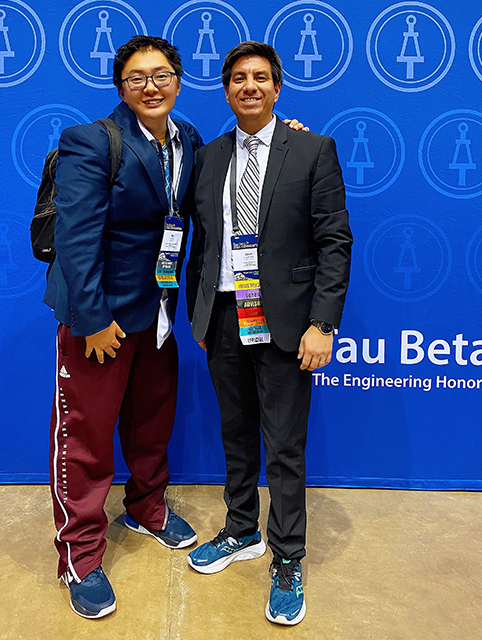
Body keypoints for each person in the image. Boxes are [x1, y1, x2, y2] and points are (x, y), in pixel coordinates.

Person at [186, 42, 352, 626]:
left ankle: (287, 557)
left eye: (260, 77)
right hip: (227, 315)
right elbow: (198, 244)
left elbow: (335, 242)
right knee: (235, 433)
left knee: (284, 444)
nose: (248, 86)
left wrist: (323, 323)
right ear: (226, 91)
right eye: (237, 78)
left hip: (285, 319)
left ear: (277, 88)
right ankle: (240, 531)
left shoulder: (313, 149)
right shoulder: (207, 157)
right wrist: (199, 313)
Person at [43, 36, 203, 619]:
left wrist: (290, 135)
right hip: (101, 318)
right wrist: (92, 318)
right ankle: (80, 553)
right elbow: (76, 235)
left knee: (151, 420)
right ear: (120, 89)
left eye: (161, 75)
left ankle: (146, 507)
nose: (151, 86)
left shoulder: (188, 140)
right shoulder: (91, 140)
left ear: (179, 81)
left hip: (156, 312)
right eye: (136, 78)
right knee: (84, 438)